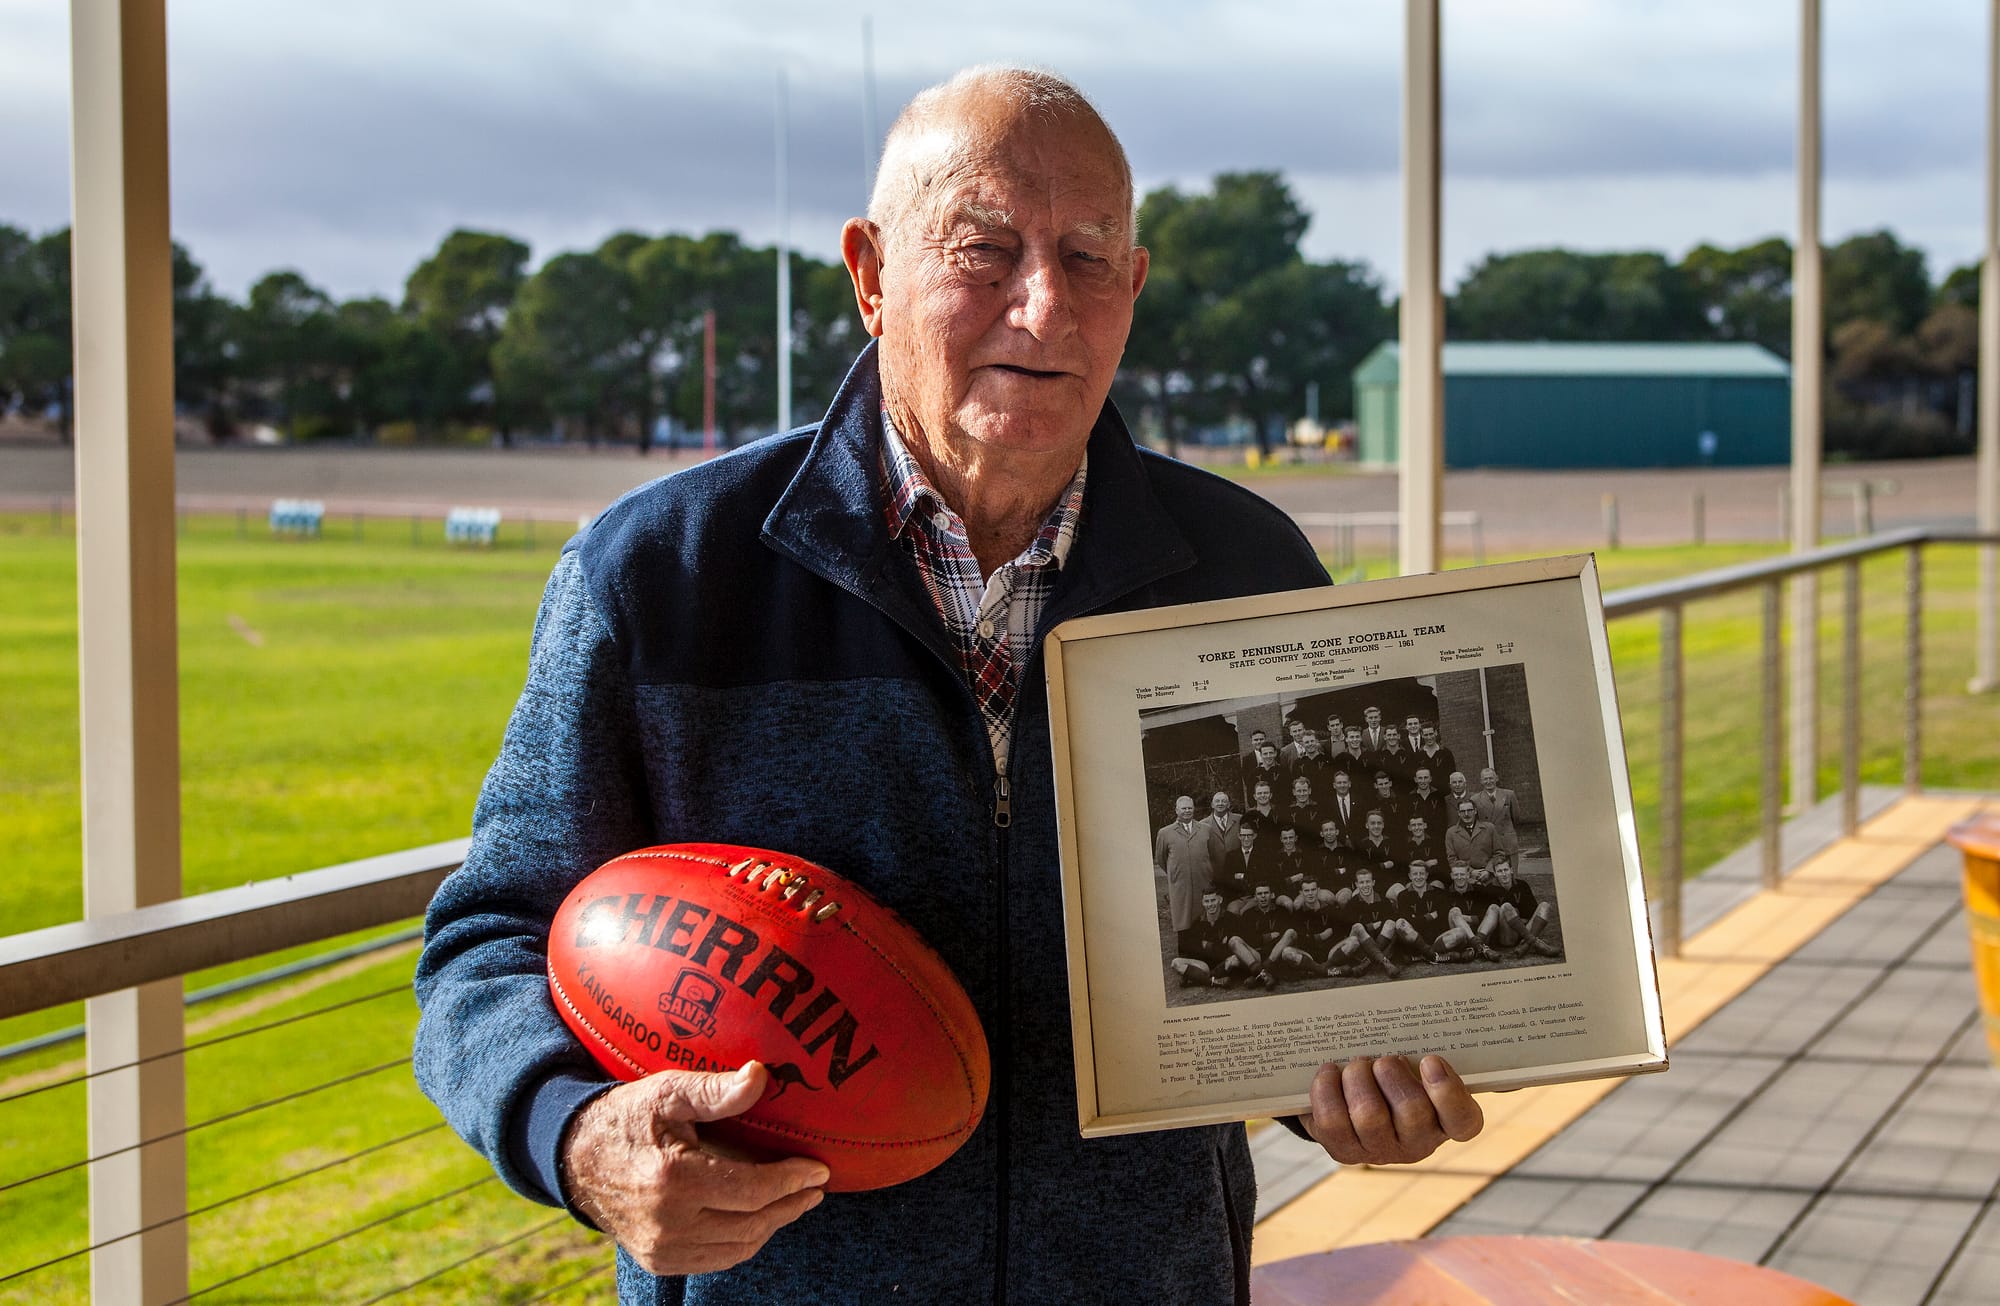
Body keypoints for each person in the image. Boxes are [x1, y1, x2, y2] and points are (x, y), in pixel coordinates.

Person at [412, 66, 1480, 1305]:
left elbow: (1320, 957)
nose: (1042, 308)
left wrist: (1351, 1081)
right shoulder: (660, 574)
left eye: (1087, 260)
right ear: (869, 274)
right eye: (983, 251)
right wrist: (577, 1134)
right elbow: (489, 939)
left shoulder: (1249, 569)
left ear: (1131, 293)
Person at [1157, 795, 1226, 932]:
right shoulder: (1165, 833)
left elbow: (1216, 856)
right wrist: (1176, 872)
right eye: (1183, 808)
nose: (1187, 811)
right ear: (1176, 810)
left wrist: (1208, 873)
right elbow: (1161, 859)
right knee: (1184, 922)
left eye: (1190, 808)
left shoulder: (1205, 829)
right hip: (1180, 885)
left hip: (1203, 882)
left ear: (1194, 809)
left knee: (1205, 919)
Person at [1172, 891, 1262, 988]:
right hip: (1205, 964)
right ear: (1203, 903)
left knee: (1236, 959)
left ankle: (1199, 977)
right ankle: (1213, 981)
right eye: (1207, 901)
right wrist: (1218, 945)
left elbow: (1232, 947)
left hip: (1226, 962)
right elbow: (1194, 949)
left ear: (1220, 900)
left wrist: (1207, 945)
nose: (1210, 905)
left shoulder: (1231, 919)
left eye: (1213, 900)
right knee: (1176, 962)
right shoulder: (1198, 923)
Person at [1477, 859, 1561, 957]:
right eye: (1500, 871)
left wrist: (1516, 918)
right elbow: (1489, 921)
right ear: (1495, 874)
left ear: (1511, 870)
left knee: (1545, 906)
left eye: (1506, 870)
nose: (1504, 874)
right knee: (1506, 907)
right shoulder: (1489, 890)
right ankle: (1534, 943)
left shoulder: (1522, 885)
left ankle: (1525, 945)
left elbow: (1532, 914)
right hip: (1507, 936)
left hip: (1523, 932)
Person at [1473, 768, 1522, 860]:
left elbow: (1516, 817)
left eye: (1491, 778)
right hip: (1488, 842)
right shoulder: (1475, 799)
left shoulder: (1509, 795)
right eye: (1485, 779)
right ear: (1481, 781)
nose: (1488, 781)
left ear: (1497, 778)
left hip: (1507, 842)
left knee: (1511, 873)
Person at [1445, 799, 1501, 876]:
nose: (1466, 814)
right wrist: (1470, 871)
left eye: (1469, 810)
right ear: (1458, 813)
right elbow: (1452, 859)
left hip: (1488, 875)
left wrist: (1488, 870)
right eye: (1462, 811)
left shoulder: (1489, 828)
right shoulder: (1451, 832)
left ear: (1475, 811)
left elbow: (1499, 853)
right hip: (1464, 876)